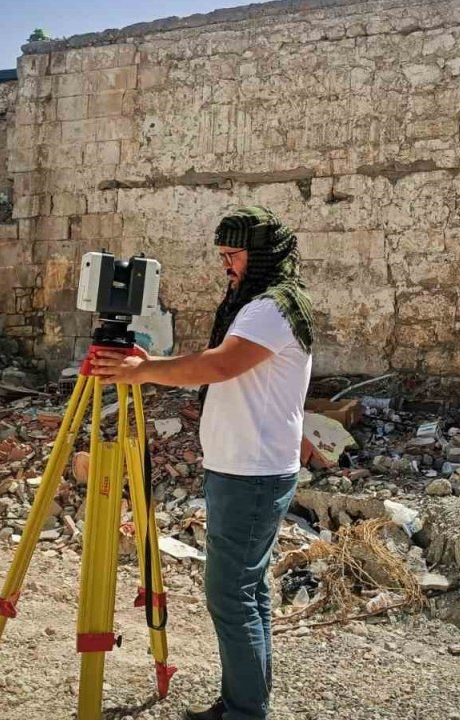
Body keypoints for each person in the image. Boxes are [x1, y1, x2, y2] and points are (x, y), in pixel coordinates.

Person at [92, 206, 314, 720]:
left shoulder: (269, 309)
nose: (226, 266)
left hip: (251, 472)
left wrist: (141, 371)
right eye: (222, 255)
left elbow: (217, 364)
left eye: (232, 255)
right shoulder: (270, 304)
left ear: (260, 255)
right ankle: (244, 702)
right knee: (247, 592)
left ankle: (244, 711)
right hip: (246, 467)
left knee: (229, 595)